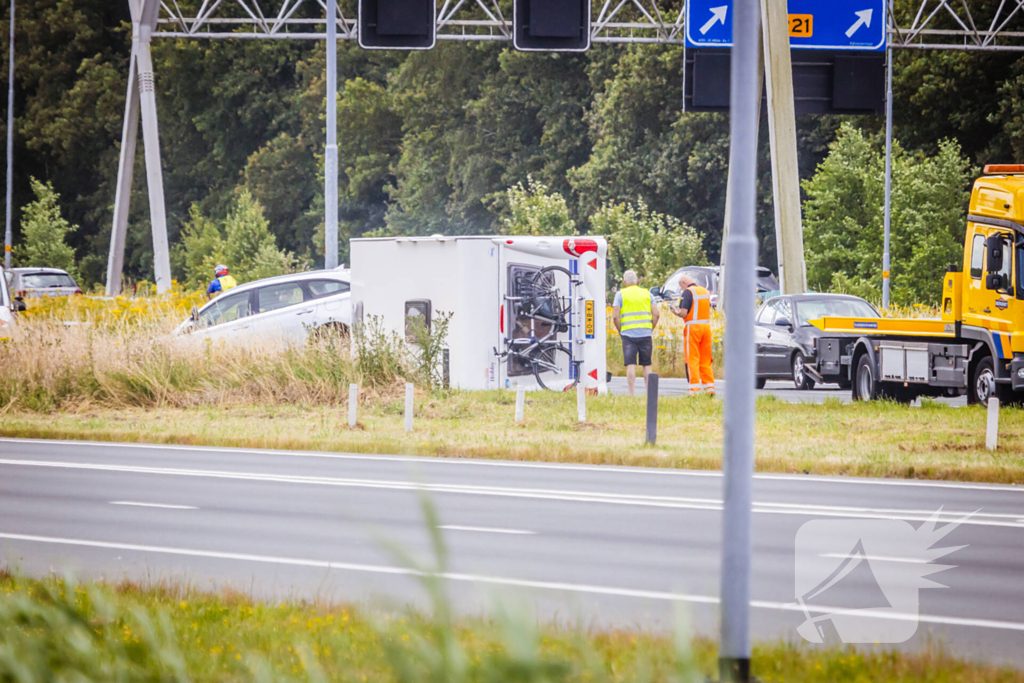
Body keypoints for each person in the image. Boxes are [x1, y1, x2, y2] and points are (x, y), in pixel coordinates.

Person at [612, 269, 660, 397]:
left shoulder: (620, 294)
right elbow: (656, 314)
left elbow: (615, 316)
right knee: (647, 364)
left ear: (624, 282)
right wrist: (650, 328)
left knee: (630, 364)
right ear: (637, 281)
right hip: (645, 332)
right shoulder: (647, 293)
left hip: (628, 333)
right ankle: (650, 394)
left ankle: (631, 393)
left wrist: (620, 330)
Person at [670, 274, 714, 395]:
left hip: (693, 328)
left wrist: (675, 312)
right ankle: (710, 389)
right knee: (705, 359)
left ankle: (694, 390)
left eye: (681, 286)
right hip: (706, 327)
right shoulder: (705, 291)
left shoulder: (688, 292)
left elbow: (684, 313)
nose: (682, 289)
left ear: (684, 283)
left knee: (692, 359)